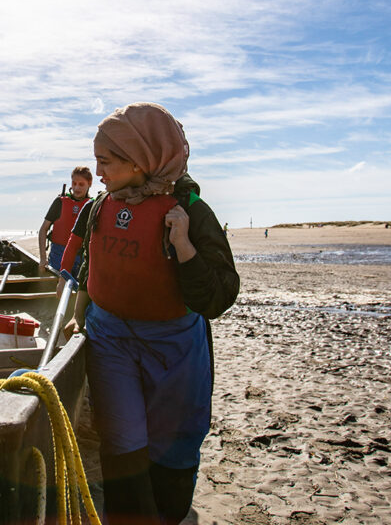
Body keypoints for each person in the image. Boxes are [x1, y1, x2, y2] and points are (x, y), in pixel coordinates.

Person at [60, 102, 240, 525]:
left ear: (139, 161)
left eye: (105, 162)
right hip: (109, 341)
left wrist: (184, 246)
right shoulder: (100, 206)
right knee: (122, 440)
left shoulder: (191, 211)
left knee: (173, 442)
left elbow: (218, 297)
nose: (99, 173)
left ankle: (169, 514)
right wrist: (78, 312)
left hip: (174, 346)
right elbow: (91, 264)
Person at [38, 166, 93, 275]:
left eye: (81, 184)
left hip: (81, 258)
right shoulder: (60, 202)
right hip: (58, 256)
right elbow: (43, 229)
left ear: (89, 183)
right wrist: (43, 258)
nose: (77, 188)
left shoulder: (92, 205)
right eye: (74, 183)